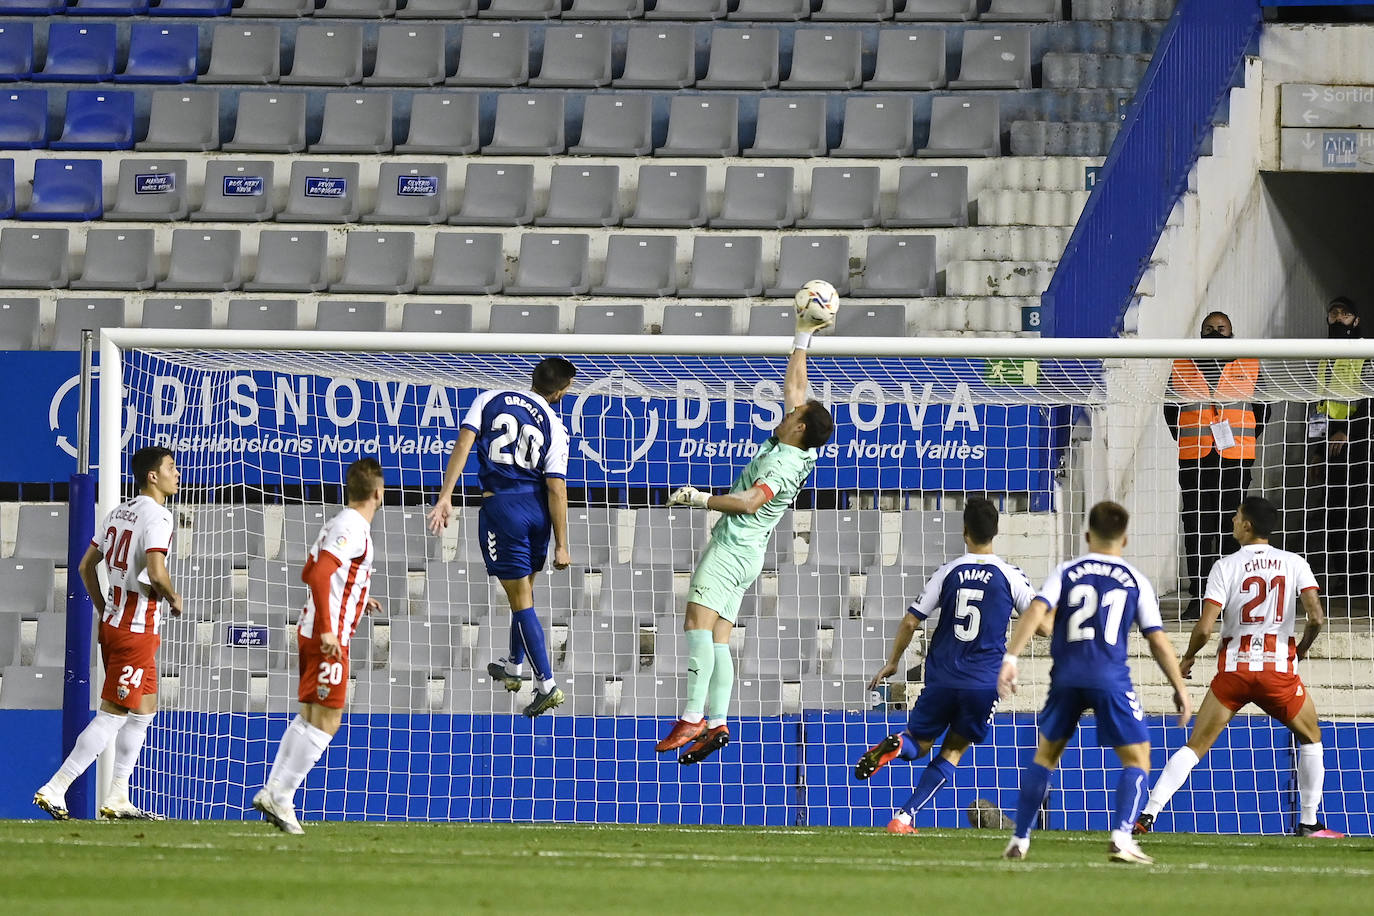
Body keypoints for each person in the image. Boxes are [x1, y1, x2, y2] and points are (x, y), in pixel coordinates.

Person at [653, 309, 836, 765]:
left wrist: (699, 498)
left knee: (696, 623)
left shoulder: (781, 463)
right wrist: (803, 335)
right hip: (750, 555)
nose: (790, 408)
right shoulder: (801, 448)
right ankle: (717, 723)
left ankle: (693, 715)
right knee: (718, 640)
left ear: (798, 426)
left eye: (795, 413)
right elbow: (797, 388)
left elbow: (752, 501)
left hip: (733, 549)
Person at [1134, 496, 1344, 838]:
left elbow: (1204, 628)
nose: (1232, 520)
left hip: (1234, 672)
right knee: (1311, 738)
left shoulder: (1225, 566)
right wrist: (1300, 649)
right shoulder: (1294, 563)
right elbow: (1316, 617)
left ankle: (1148, 814)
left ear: (1247, 525)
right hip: (1278, 672)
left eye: (1236, 516)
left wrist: (1187, 658)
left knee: (1195, 746)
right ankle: (1309, 822)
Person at [998, 501, 1191, 864]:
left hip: (1067, 675)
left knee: (1046, 755)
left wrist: (1011, 658)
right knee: (1138, 757)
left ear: (1087, 535)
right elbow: (1156, 639)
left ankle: (1020, 838)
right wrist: (1179, 686)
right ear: (1125, 539)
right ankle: (1121, 837)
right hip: (1109, 677)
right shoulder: (1135, 579)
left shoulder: (1066, 571)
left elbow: (1037, 611)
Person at [854, 497, 1036, 834]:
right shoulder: (1011, 576)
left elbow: (910, 622)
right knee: (953, 749)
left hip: (941, 677)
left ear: (964, 532)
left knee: (918, 742)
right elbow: (1041, 623)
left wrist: (893, 662)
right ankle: (903, 818)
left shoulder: (948, 571)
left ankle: (896, 745)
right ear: (996, 532)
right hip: (983, 682)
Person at [33, 446, 182, 821]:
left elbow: (86, 565)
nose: (176, 473)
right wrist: (173, 597)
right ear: (153, 475)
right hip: (135, 632)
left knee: (144, 711)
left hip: (116, 624)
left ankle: (118, 795)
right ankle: (56, 787)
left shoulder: (118, 512)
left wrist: (103, 607)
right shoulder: (159, 517)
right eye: (171, 467)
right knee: (113, 715)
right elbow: (156, 570)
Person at [427, 357, 576, 718]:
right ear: (559, 391)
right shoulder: (555, 424)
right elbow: (557, 488)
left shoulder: (489, 398)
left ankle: (547, 686)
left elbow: (463, 445)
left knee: (520, 600)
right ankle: (513, 668)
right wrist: (562, 543)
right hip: (536, 512)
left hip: (502, 511)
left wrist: (446, 495)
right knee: (523, 594)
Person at [254, 458, 385, 835]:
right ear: (378, 492)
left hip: (314, 628)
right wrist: (331, 629)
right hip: (327, 635)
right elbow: (322, 573)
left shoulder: (339, 522)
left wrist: (359, 597)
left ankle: (274, 790)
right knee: (328, 721)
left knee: (311, 716)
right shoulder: (354, 526)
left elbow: (312, 572)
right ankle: (282, 795)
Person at [1164, 311, 1270, 619]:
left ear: (1231, 333)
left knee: (1233, 529)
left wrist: (1241, 438)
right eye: (1209, 329)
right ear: (1200, 333)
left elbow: (1264, 408)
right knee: (1196, 528)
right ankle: (1199, 597)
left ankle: (1229, 599)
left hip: (1235, 459)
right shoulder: (1182, 362)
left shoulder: (1250, 362)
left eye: (1221, 329)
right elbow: (1170, 409)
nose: (1215, 332)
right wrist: (1193, 437)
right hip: (1194, 458)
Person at [1306, 297, 1370, 601]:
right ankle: (1339, 578)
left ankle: (1361, 580)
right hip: (1329, 445)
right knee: (1332, 513)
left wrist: (1348, 430)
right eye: (1334, 313)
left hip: (1358, 444)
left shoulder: (1366, 353)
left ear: (1355, 321)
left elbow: (1371, 401)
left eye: (1346, 314)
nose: (1339, 318)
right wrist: (1317, 449)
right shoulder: (1323, 357)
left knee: (1357, 513)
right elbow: (1319, 407)